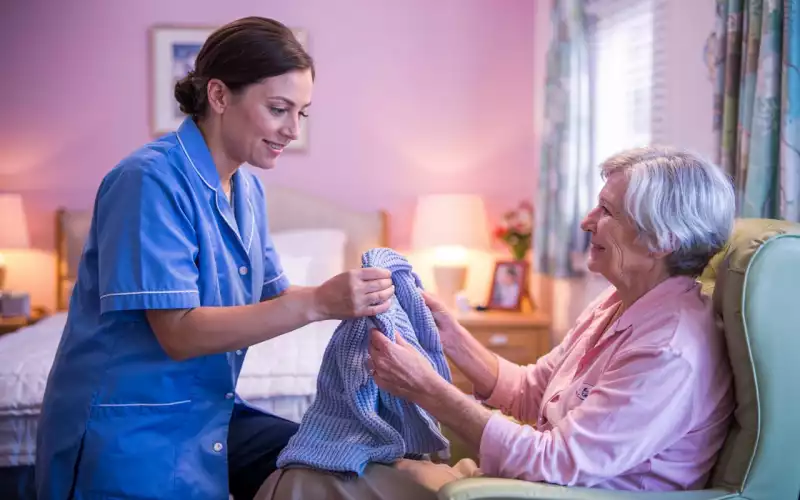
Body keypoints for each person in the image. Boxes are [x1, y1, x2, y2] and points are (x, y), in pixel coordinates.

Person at [35, 17, 395, 500]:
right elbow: (179, 332)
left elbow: (275, 296)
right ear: (220, 96)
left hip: (209, 411)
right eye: (278, 109)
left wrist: (356, 300)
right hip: (131, 426)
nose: (292, 130)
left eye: (301, 114)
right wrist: (319, 303)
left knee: (343, 463)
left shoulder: (248, 191)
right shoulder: (148, 180)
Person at [364, 146, 737, 493]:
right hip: (526, 485)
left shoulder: (668, 352)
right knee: (364, 466)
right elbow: (533, 390)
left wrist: (427, 389)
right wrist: (451, 337)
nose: (587, 222)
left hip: (559, 493)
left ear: (662, 240)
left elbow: (555, 461)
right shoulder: (618, 302)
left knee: (353, 476)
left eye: (607, 211)